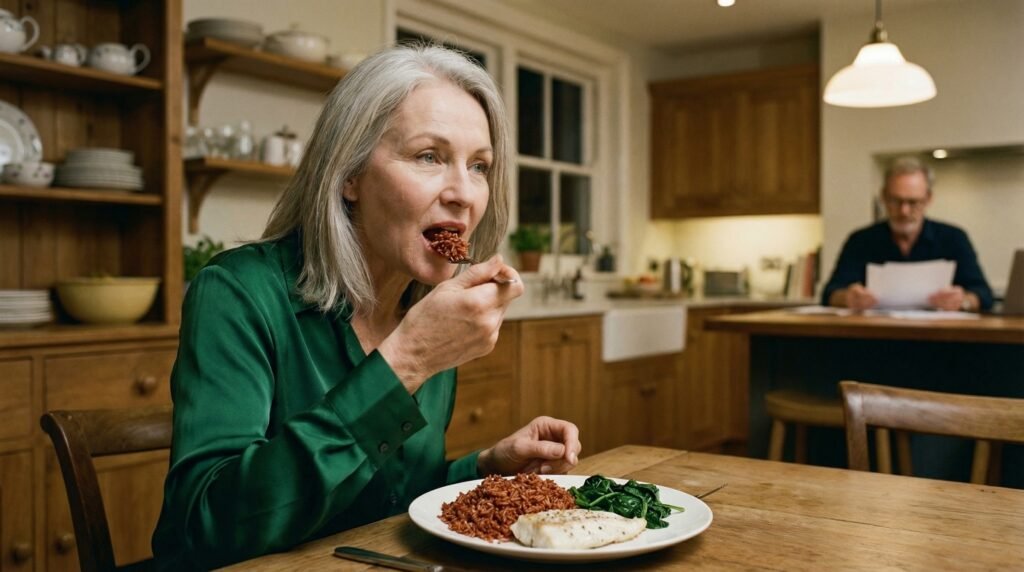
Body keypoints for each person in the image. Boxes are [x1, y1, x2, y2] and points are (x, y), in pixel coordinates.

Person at [152, 44, 582, 569]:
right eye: (429, 156)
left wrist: (485, 468)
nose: (464, 194)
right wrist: (405, 363)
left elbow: (386, 499)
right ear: (348, 174)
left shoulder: (428, 309)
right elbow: (207, 527)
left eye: (479, 166)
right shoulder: (237, 292)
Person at [822, 156, 994, 312]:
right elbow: (830, 293)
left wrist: (963, 301)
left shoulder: (954, 238)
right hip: (876, 333)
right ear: (883, 197)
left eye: (913, 202)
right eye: (895, 201)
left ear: (928, 199)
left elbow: (984, 294)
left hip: (939, 333)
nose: (904, 211)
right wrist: (848, 298)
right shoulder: (861, 240)